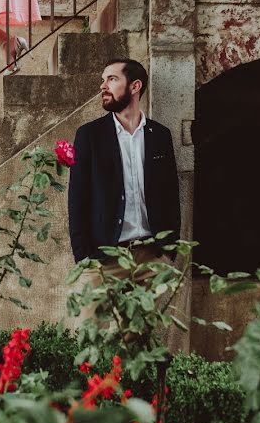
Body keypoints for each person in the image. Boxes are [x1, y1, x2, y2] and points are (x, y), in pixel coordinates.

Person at [67, 59, 181, 275]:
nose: (103, 86)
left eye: (112, 79)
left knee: (153, 311)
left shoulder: (160, 135)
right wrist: (84, 257)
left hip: (152, 258)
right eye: (103, 80)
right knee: (90, 311)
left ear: (134, 86)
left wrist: (169, 251)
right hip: (103, 260)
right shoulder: (89, 135)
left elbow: (171, 194)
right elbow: (77, 198)